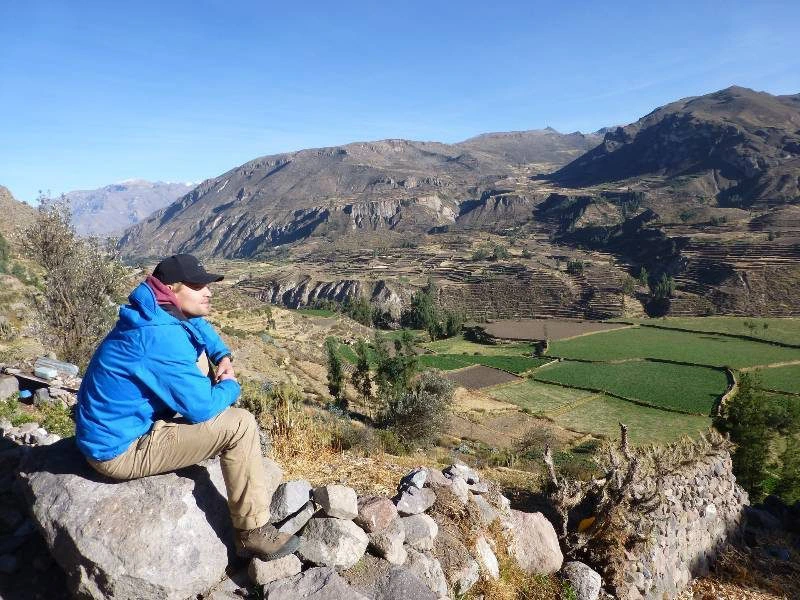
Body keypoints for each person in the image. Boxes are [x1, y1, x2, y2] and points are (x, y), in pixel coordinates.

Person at [75, 254, 298, 559]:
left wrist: (223, 356)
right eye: (198, 285)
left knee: (202, 357)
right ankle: (252, 533)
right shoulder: (158, 335)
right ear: (173, 288)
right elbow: (202, 409)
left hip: (117, 428)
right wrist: (230, 386)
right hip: (120, 451)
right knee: (241, 424)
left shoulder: (155, 310)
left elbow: (199, 326)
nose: (209, 291)